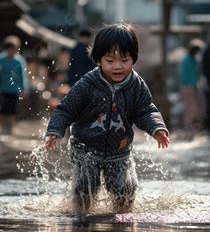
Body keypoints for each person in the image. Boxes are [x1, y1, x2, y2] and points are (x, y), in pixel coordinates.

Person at [45, 23, 170, 213]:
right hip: (85, 148)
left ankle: (122, 223)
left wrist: (157, 128)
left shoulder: (136, 85)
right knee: (85, 189)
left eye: (125, 60)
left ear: (133, 58)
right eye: (110, 61)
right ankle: (81, 221)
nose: (118, 67)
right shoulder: (87, 83)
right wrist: (55, 130)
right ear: (98, 60)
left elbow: (145, 110)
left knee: (124, 191)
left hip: (119, 150)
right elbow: (66, 109)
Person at [0, 35, 28, 135]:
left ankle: (11, 130)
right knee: (2, 111)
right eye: (9, 49)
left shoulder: (19, 60)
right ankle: (1, 130)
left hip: (14, 90)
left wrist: (24, 89)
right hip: (1, 89)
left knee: (12, 111)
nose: (11, 52)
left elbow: (23, 76)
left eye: (14, 49)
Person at [180, 39, 204, 138]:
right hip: (189, 86)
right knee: (192, 108)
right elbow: (189, 74)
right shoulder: (189, 60)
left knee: (192, 108)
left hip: (188, 85)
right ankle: (189, 129)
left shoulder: (189, 58)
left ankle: (190, 128)